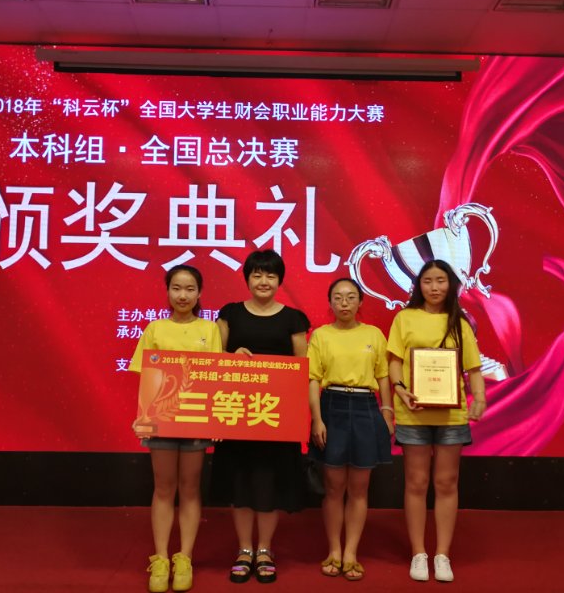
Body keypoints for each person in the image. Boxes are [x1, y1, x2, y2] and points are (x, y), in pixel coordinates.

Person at [209, 249, 310, 584]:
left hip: (275, 418)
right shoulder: (230, 314)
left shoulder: (294, 319)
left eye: (270, 275)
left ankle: (264, 550)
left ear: (279, 280)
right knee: (240, 484)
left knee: (269, 485)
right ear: (247, 279)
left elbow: (302, 370)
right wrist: (231, 356)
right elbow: (215, 361)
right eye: (257, 274)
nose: (263, 281)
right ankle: (244, 550)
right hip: (236, 413)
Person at [386, 259, 487, 583]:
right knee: (416, 483)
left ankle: (442, 554)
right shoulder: (405, 318)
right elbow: (394, 361)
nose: (434, 287)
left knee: (446, 483)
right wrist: (400, 389)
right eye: (428, 281)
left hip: (451, 416)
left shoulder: (460, 323)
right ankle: (419, 553)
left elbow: (473, 369)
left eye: (440, 280)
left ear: (451, 284)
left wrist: (479, 398)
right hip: (413, 413)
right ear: (419, 285)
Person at [129, 264, 222, 593]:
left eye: (190, 289)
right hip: (162, 420)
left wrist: (214, 419)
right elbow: (147, 377)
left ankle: (185, 557)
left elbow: (216, 376)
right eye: (177, 288)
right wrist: (143, 416)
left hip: (196, 419)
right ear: (168, 291)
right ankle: (161, 557)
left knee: (191, 487)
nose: (183, 295)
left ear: (199, 293)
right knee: (164, 488)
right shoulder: (155, 328)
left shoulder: (210, 329)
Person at [308, 277, 394, 581]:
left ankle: (351, 553)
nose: (344, 303)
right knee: (333, 487)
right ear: (330, 302)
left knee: (359, 487)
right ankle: (334, 549)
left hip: (365, 407)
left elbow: (383, 375)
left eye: (351, 297)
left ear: (360, 302)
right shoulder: (321, 335)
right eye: (338, 297)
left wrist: (387, 411)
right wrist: (317, 419)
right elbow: (313, 379)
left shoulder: (374, 334)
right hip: (331, 406)